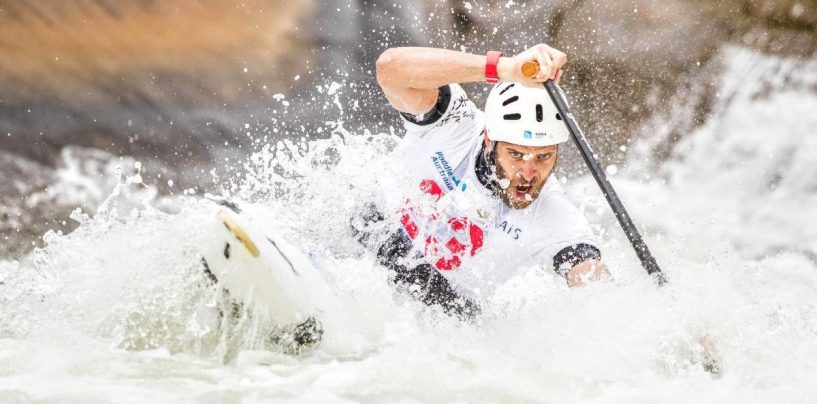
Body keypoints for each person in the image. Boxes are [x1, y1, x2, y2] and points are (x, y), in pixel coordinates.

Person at [368, 44, 611, 319]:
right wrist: (505, 69)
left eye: (543, 156)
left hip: (436, 314)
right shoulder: (455, 124)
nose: (528, 173)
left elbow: (597, 291)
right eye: (516, 154)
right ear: (488, 139)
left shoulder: (556, 217)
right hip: (366, 240)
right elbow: (389, 68)